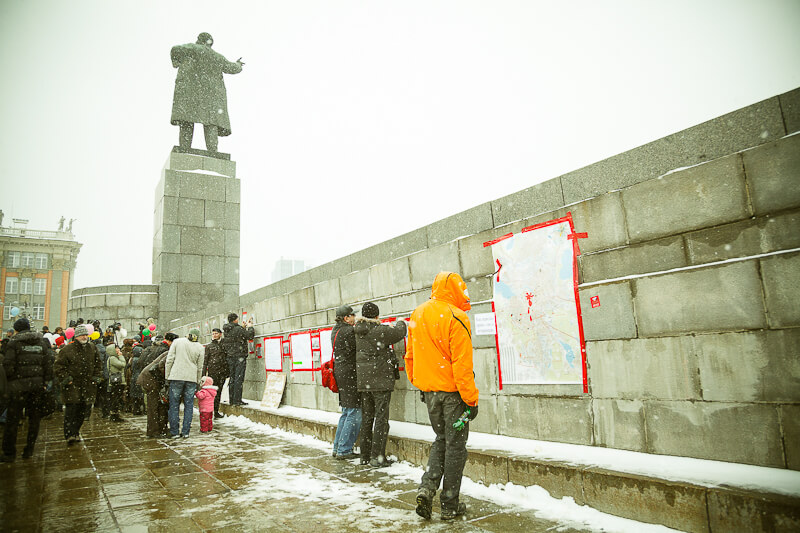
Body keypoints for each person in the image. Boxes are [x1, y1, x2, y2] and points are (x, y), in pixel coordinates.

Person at [405, 271, 479, 521]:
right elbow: (462, 365)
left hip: (431, 392)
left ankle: (427, 488)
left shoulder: (418, 313)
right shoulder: (457, 316)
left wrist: (422, 383)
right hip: (453, 395)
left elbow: (410, 357)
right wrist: (471, 399)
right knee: (456, 446)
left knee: (441, 439)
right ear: (456, 289)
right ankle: (449, 504)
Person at [170, 32, 243, 153]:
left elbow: (175, 49)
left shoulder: (192, 48)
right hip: (211, 96)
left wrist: (177, 62)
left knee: (187, 120)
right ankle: (213, 151)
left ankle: (184, 148)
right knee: (211, 123)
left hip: (190, 93)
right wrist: (239, 65)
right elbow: (231, 68)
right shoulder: (217, 57)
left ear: (199, 40)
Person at [354, 302, 407, 468]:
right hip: (380, 382)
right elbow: (399, 332)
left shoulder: (358, 331)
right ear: (376, 316)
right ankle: (377, 457)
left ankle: (365, 455)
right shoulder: (378, 330)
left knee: (368, 418)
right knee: (381, 419)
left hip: (364, 382)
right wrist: (400, 321)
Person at [1, 318, 53, 461]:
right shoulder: (41, 343)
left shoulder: (14, 343)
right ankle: (29, 450)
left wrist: (13, 381)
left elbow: (8, 366)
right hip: (36, 387)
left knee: (12, 419)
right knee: (34, 419)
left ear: (16, 330)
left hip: (17, 388)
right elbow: (48, 365)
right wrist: (44, 382)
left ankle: (9, 453)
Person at [54, 324, 102, 445]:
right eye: (82, 335)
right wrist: (67, 379)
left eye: (86, 334)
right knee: (71, 410)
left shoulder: (92, 348)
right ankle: (69, 434)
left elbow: (98, 364)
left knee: (82, 410)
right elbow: (59, 366)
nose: (84, 337)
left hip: (87, 384)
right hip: (72, 385)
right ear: (76, 336)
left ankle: (76, 431)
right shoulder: (67, 350)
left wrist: (96, 377)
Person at [331, 305, 361, 460]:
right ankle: (344, 449)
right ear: (346, 318)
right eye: (352, 315)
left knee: (346, 411)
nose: (355, 318)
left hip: (341, 372)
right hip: (349, 373)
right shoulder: (348, 331)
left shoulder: (335, 330)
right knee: (354, 412)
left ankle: (338, 447)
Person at [165, 328, 205, 438]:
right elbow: (200, 366)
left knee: (174, 405)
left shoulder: (177, 342)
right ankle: (186, 431)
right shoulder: (200, 348)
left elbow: (170, 360)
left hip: (176, 376)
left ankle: (174, 432)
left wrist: (167, 376)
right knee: (189, 405)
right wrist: (197, 380)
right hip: (191, 378)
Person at [138, 333, 176, 438]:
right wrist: (165, 380)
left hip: (149, 378)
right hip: (150, 380)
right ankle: (153, 431)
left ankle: (158, 429)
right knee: (153, 406)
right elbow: (161, 366)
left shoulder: (165, 350)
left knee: (157, 405)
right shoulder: (169, 352)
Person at [221, 313, 254, 406]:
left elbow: (236, 335)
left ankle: (232, 399)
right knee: (239, 378)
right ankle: (237, 400)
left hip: (230, 357)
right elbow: (249, 335)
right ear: (235, 320)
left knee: (232, 378)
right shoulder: (238, 329)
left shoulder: (227, 330)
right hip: (239, 356)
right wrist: (250, 327)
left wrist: (242, 328)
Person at [202, 328, 228, 418]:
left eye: (216, 333)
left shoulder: (224, 344)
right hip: (213, 372)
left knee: (219, 391)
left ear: (220, 334)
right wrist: (203, 374)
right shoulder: (209, 346)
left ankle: (216, 411)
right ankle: (210, 411)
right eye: (213, 333)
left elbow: (227, 358)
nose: (214, 335)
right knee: (212, 392)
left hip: (222, 371)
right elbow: (205, 361)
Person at [106, 344, 127, 423]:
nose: (118, 350)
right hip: (117, 381)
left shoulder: (112, 358)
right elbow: (122, 365)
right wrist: (121, 356)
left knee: (116, 398)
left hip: (117, 381)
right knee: (116, 398)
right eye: (117, 348)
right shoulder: (113, 358)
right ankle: (114, 415)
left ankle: (115, 414)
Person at [129, 345, 145, 415]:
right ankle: (140, 410)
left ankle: (135, 409)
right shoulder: (141, 360)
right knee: (140, 395)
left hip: (133, 378)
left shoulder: (132, 359)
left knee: (134, 395)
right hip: (140, 377)